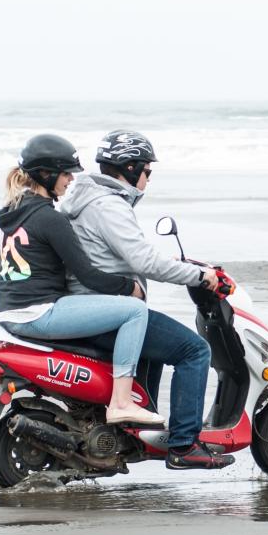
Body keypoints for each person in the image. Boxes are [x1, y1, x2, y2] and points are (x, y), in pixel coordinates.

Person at [59, 129, 234, 470]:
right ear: (129, 167)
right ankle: (184, 446)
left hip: (92, 305)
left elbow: (128, 255)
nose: (148, 180)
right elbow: (143, 261)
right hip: (105, 310)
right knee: (194, 350)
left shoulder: (89, 199)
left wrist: (182, 266)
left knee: (156, 350)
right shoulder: (108, 205)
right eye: (147, 172)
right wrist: (200, 276)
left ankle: (139, 431)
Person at [0, 133, 162, 426]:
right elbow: (88, 275)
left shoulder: (17, 212)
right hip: (40, 312)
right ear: (45, 174)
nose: (71, 180)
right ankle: (122, 403)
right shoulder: (50, 218)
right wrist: (130, 287)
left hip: (9, 312)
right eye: (66, 173)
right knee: (135, 312)